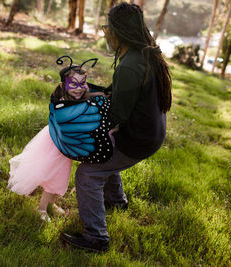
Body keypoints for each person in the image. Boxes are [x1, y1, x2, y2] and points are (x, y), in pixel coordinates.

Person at [60, 2, 172, 252]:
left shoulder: (131, 65)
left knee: (88, 173)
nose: (106, 33)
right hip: (150, 133)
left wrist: (82, 125)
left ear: (119, 31)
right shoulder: (143, 52)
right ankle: (117, 202)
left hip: (139, 139)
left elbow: (117, 115)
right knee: (106, 154)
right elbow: (122, 97)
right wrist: (93, 94)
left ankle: (96, 238)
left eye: (107, 28)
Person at [8, 62, 105, 222]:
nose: (79, 88)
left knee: (61, 176)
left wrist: (100, 95)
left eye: (83, 83)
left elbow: (89, 99)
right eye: (74, 84)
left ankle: (52, 203)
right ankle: (42, 208)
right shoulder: (62, 102)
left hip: (66, 144)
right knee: (53, 176)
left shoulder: (79, 97)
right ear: (63, 85)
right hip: (56, 144)